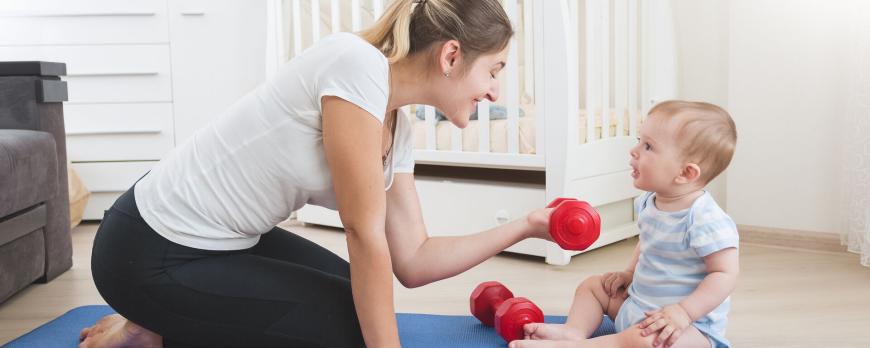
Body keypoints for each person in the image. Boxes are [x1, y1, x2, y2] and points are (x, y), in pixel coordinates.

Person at [78, 1, 557, 347]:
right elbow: (364, 234)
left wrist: (526, 226)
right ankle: (150, 323)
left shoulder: (398, 127)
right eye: (493, 70)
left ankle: (152, 323)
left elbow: (413, 261)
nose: (495, 91)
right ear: (451, 56)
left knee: (359, 303)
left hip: (218, 243)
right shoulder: (356, 66)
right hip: (145, 249)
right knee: (350, 327)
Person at [510, 101, 739, 348]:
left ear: (685, 173)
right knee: (592, 286)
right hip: (638, 306)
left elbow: (724, 274)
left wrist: (684, 312)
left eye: (648, 146)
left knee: (644, 341)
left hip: (683, 330)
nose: (634, 150)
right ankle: (573, 332)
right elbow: (646, 244)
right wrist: (628, 274)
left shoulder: (705, 219)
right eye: (640, 140)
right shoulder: (649, 202)